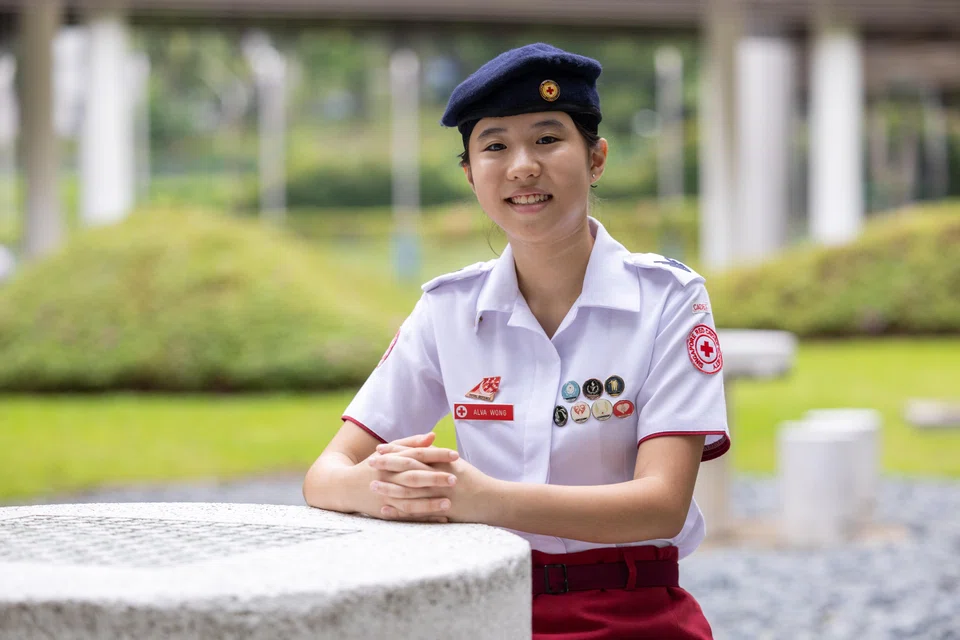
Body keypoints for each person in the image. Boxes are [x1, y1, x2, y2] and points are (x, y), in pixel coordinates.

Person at [303, 42, 729, 639]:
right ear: (471, 174)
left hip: (632, 612)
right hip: (482, 613)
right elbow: (325, 475)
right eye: (495, 146)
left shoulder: (668, 300)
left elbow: (661, 503)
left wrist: (480, 499)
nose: (522, 166)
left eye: (548, 139)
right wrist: (401, 487)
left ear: (597, 158)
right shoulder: (447, 311)